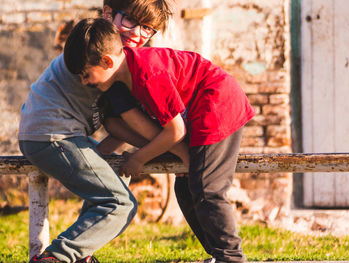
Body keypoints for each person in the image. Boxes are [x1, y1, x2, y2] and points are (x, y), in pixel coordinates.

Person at [64, 18, 256, 263]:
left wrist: (138, 159)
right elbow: (124, 128)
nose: (84, 82)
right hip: (198, 113)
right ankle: (218, 254)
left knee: (208, 190)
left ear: (107, 61)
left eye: (85, 74)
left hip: (218, 105)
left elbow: (175, 132)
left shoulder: (146, 74)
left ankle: (231, 258)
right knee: (185, 188)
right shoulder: (127, 74)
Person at [18, 1, 172, 262]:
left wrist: (145, 148)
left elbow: (116, 125)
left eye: (148, 29)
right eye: (130, 22)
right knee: (120, 204)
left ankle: (79, 254)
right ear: (108, 13)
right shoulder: (96, 53)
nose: (137, 34)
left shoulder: (115, 57)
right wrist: (170, 142)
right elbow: (127, 123)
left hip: (58, 133)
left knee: (116, 179)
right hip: (53, 135)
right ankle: (57, 257)